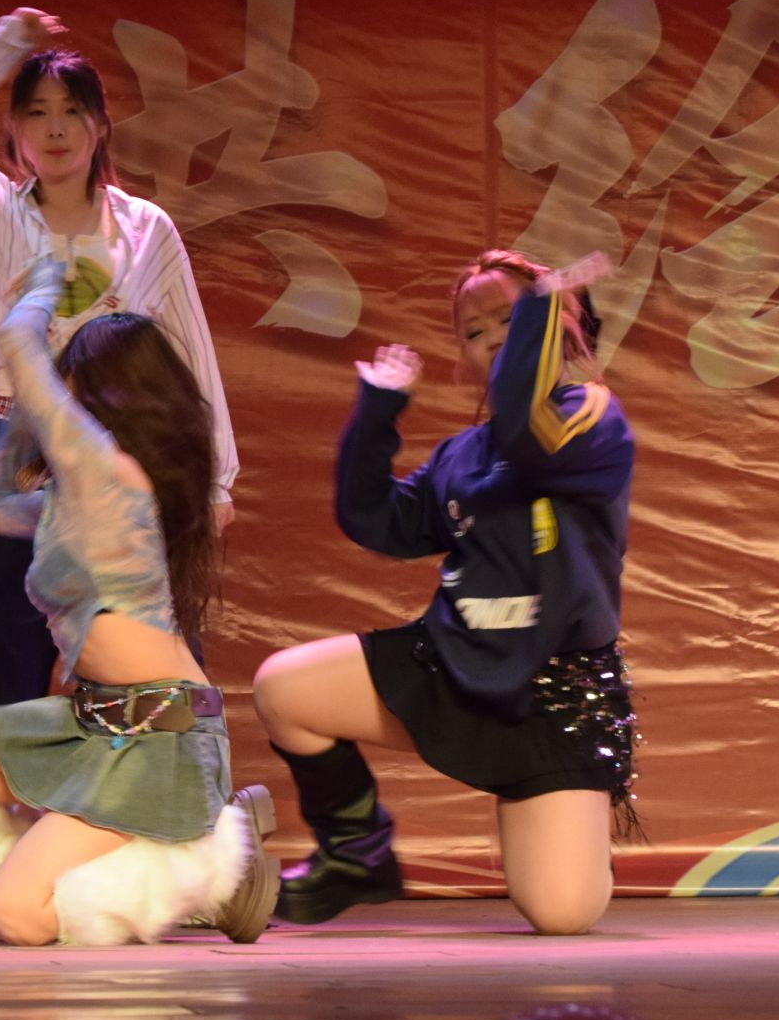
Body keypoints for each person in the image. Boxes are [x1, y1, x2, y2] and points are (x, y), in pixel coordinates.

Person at [0, 258, 277, 946]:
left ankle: (212, 872)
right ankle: (9, 878)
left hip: (159, 742)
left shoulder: (110, 474)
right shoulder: (77, 492)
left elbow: (17, 340)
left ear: (104, 392)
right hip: (95, 723)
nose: (57, 393)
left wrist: (43, 283)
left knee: (15, 915)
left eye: (69, 380)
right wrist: (25, 412)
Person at [251, 249, 638, 935]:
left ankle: (570, 831)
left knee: (562, 911)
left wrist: (539, 314)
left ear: (558, 322)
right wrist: (378, 409)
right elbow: (378, 520)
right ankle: (357, 851)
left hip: (551, 697)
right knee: (285, 689)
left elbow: (529, 437)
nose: (493, 337)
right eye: (474, 329)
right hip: (453, 664)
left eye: (509, 318)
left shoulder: (593, 417)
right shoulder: (461, 454)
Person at [0, 7, 239, 723]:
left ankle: (171, 782)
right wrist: (5, 43)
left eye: (72, 111)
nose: (55, 128)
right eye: (36, 112)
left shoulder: (145, 228)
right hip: (25, 448)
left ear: (101, 125)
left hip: (126, 450)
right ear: (15, 131)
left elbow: (188, 354)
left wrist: (217, 480)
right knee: (0, 650)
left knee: (146, 640)